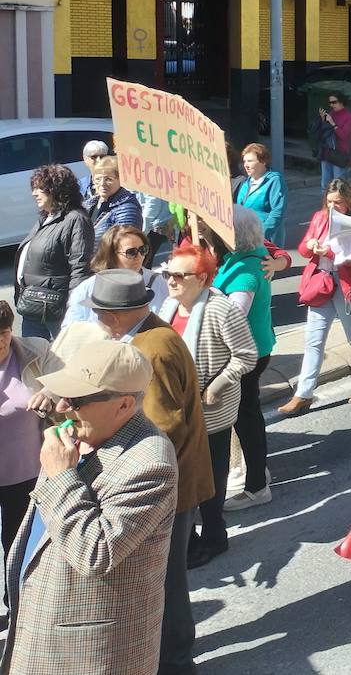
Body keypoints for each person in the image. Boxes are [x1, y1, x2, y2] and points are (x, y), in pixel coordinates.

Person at [50, 269, 212, 675]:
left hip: (165, 490)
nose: (98, 320)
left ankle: (174, 664)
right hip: (177, 480)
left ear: (114, 315)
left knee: (165, 584)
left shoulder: (146, 351)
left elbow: (162, 425)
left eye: (100, 313)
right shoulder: (150, 335)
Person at [3, 339, 177, 675]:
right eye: (63, 394)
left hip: (88, 652)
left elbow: (96, 553)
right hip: (45, 625)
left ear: (124, 405)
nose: (63, 407)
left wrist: (61, 475)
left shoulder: (149, 464)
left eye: (77, 399)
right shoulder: (85, 437)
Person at [157, 245, 255, 568]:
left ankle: (215, 536)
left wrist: (217, 385)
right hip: (177, 409)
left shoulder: (221, 309)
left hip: (212, 411)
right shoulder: (168, 308)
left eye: (178, 276)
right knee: (183, 477)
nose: (170, 281)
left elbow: (246, 355)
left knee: (210, 479)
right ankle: (194, 538)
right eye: (167, 274)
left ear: (201, 279)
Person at [280, 180, 351, 416]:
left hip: (346, 283)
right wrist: (310, 246)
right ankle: (303, 393)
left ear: (348, 202)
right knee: (313, 340)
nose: (332, 206)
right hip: (321, 282)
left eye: (337, 202)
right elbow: (302, 250)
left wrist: (328, 251)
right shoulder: (320, 217)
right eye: (329, 201)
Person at [215, 208, 276, 513]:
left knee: (246, 418)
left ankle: (256, 486)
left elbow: (233, 315)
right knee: (248, 414)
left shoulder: (246, 272)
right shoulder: (248, 258)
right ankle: (258, 471)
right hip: (257, 348)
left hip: (246, 354)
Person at [15, 164, 93, 340]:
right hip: (33, 304)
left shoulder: (76, 219)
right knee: (32, 360)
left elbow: (79, 267)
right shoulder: (46, 217)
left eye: (39, 188)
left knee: (63, 358)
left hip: (55, 309)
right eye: (33, 188)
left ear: (56, 189)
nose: (34, 194)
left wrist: (75, 308)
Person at [0, 302, 44, 612]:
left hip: (25, 471)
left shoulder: (33, 351)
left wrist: (52, 396)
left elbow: (65, 385)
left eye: (3, 333)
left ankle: (17, 602)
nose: (1, 341)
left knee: (18, 543)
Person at [62, 224, 167, 327]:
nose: (139, 256)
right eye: (131, 252)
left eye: (143, 250)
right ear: (111, 255)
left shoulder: (159, 282)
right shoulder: (88, 288)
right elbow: (71, 329)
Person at [234, 143, 287, 246]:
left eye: (250, 161)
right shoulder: (246, 183)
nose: (246, 165)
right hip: (247, 239)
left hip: (266, 241)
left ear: (263, 161)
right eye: (244, 161)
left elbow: (278, 212)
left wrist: (261, 236)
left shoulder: (274, 181)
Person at [84, 157, 142, 240]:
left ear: (120, 180)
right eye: (98, 179)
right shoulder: (90, 204)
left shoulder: (128, 210)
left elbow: (125, 243)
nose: (102, 183)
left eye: (108, 179)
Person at [312, 91, 351, 190]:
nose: (332, 105)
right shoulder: (332, 113)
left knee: (339, 185)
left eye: (334, 102)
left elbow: (344, 136)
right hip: (327, 152)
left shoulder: (348, 116)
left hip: (340, 154)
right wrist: (323, 120)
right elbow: (323, 133)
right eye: (330, 103)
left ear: (341, 102)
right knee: (325, 184)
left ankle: (342, 205)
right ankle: (326, 204)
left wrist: (333, 124)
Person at [77, 139, 111, 206]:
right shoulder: (80, 184)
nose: (98, 160)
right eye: (94, 157)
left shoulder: (115, 182)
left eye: (102, 156)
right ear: (85, 159)